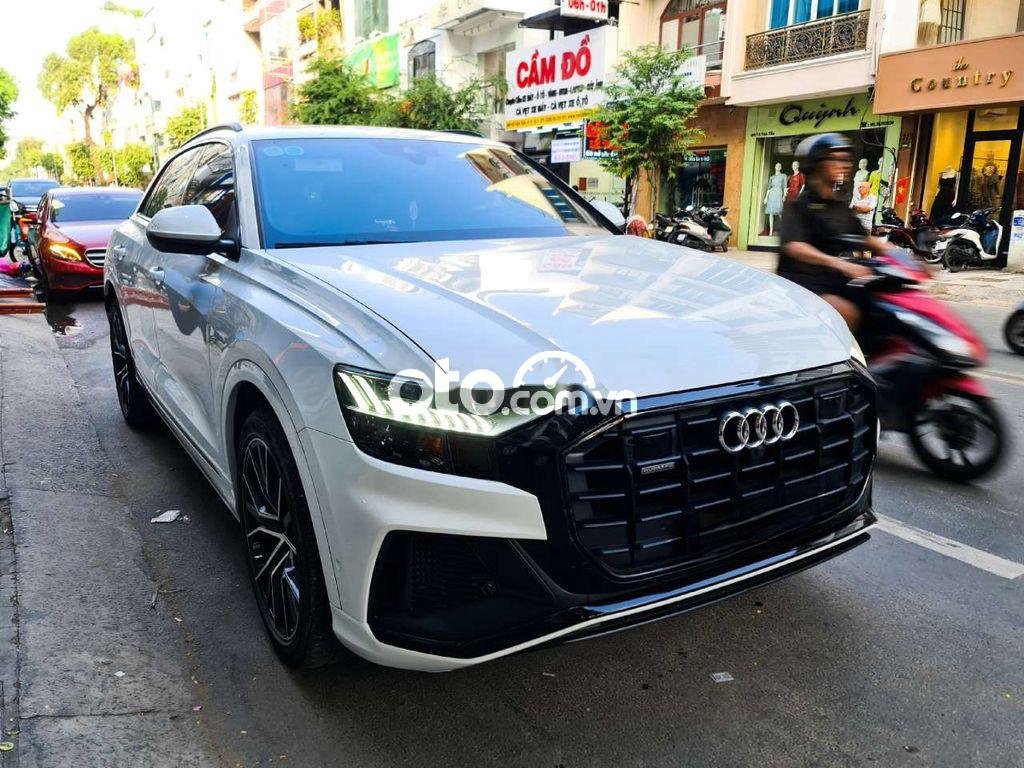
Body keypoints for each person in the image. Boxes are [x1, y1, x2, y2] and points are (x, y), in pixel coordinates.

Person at [777, 133, 882, 332]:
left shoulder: (838, 204)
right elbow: (795, 246)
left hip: (831, 280)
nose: (845, 165)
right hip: (801, 285)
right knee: (847, 312)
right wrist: (838, 263)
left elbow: (862, 236)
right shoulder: (799, 205)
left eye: (846, 160)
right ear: (816, 164)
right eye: (837, 159)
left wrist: (897, 253)